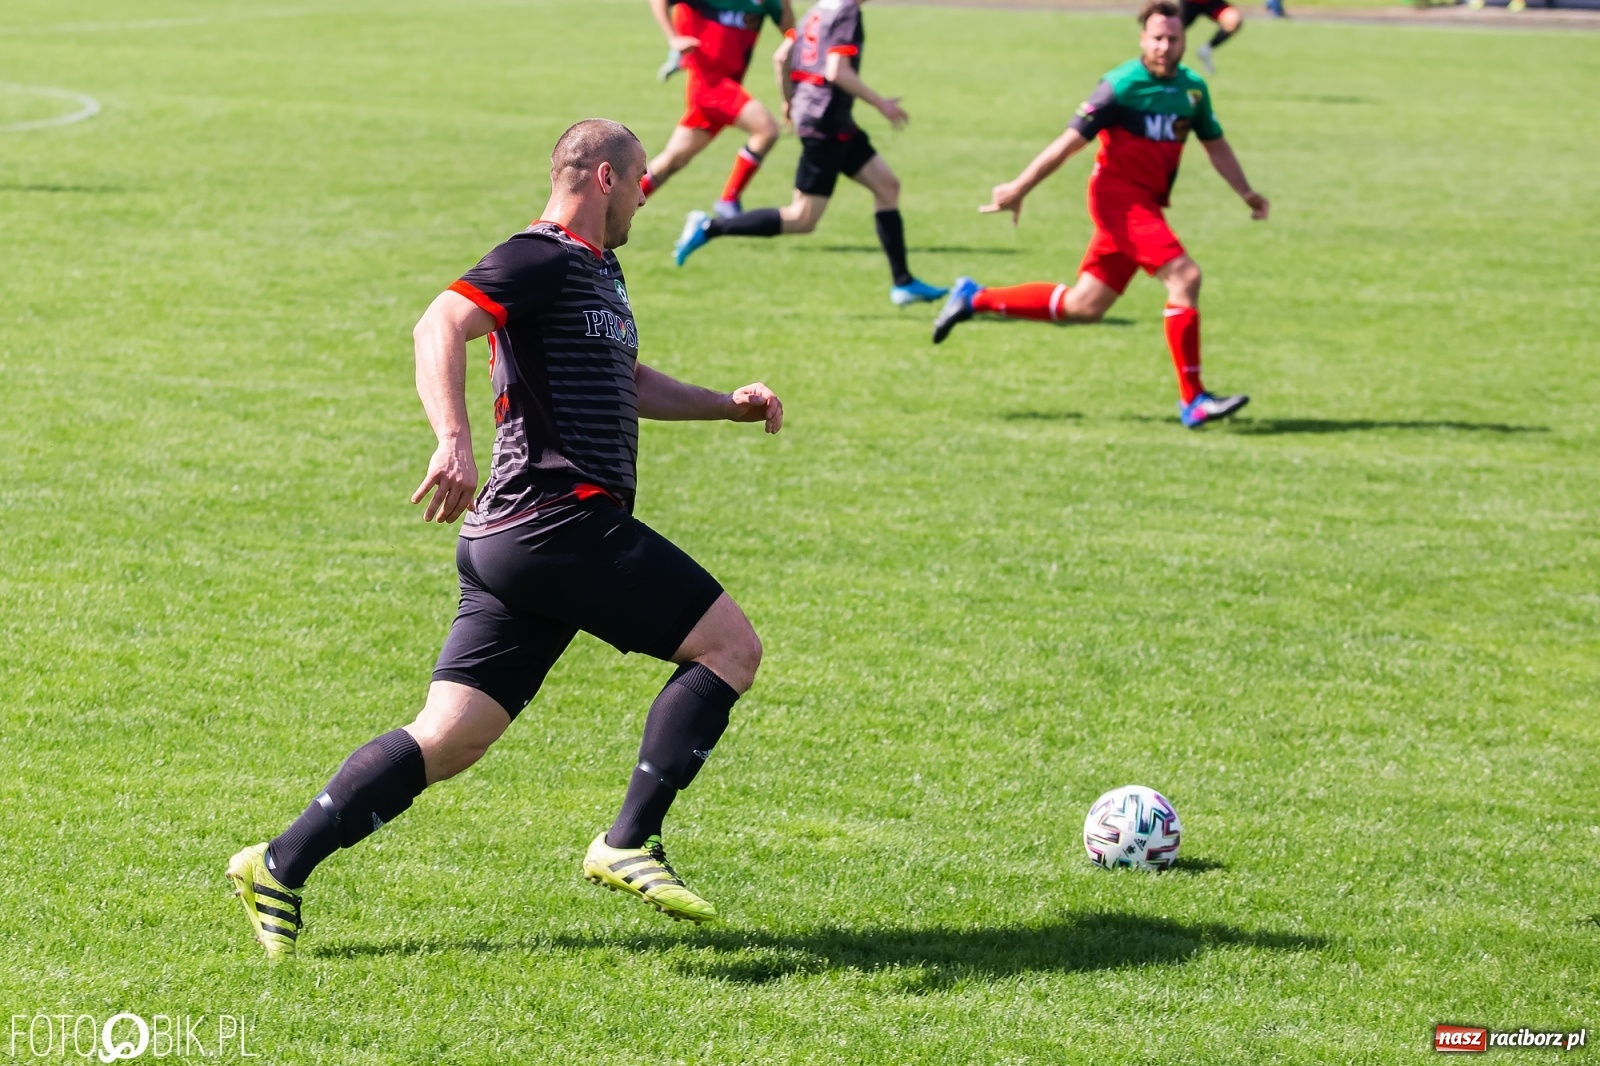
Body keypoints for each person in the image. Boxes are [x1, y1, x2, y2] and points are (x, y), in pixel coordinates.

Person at [226, 119, 786, 959]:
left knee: (450, 737)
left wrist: (725, 407)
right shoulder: (541, 256)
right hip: (561, 519)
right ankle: (629, 840)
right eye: (639, 184)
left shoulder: (600, 270)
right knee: (729, 649)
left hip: (517, 542)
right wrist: (452, 439)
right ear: (604, 177)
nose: (643, 199)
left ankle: (278, 862)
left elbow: (624, 381)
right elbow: (439, 323)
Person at [932, 0, 1269, 429]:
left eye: (1173, 38)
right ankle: (1194, 400)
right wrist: (1020, 186)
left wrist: (1246, 192)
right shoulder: (1120, 85)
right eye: (1157, 38)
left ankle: (973, 297)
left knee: (1084, 306)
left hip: (1146, 204)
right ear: (1142, 39)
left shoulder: (1193, 90)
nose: (1165, 46)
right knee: (1185, 277)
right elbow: (1069, 142)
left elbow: (1215, 144)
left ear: (1186, 38)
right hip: (1118, 202)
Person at [672, 0, 947, 307]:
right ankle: (709, 227)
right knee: (802, 218)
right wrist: (881, 104)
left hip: (830, 120)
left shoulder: (818, 9)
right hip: (826, 124)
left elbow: (781, 57)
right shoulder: (847, 12)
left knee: (887, 186)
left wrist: (790, 100)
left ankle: (903, 284)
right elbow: (836, 71)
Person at [642, 0, 795, 219]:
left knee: (671, 161)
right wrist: (673, 39)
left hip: (724, 88)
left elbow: (791, 34)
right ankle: (728, 200)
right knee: (767, 130)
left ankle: (609, 213)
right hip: (710, 86)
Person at [1180, 0, 1244, 74]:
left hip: (1211, 2)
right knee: (1171, 28)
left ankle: (1206, 49)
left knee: (1233, 19)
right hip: (1189, 2)